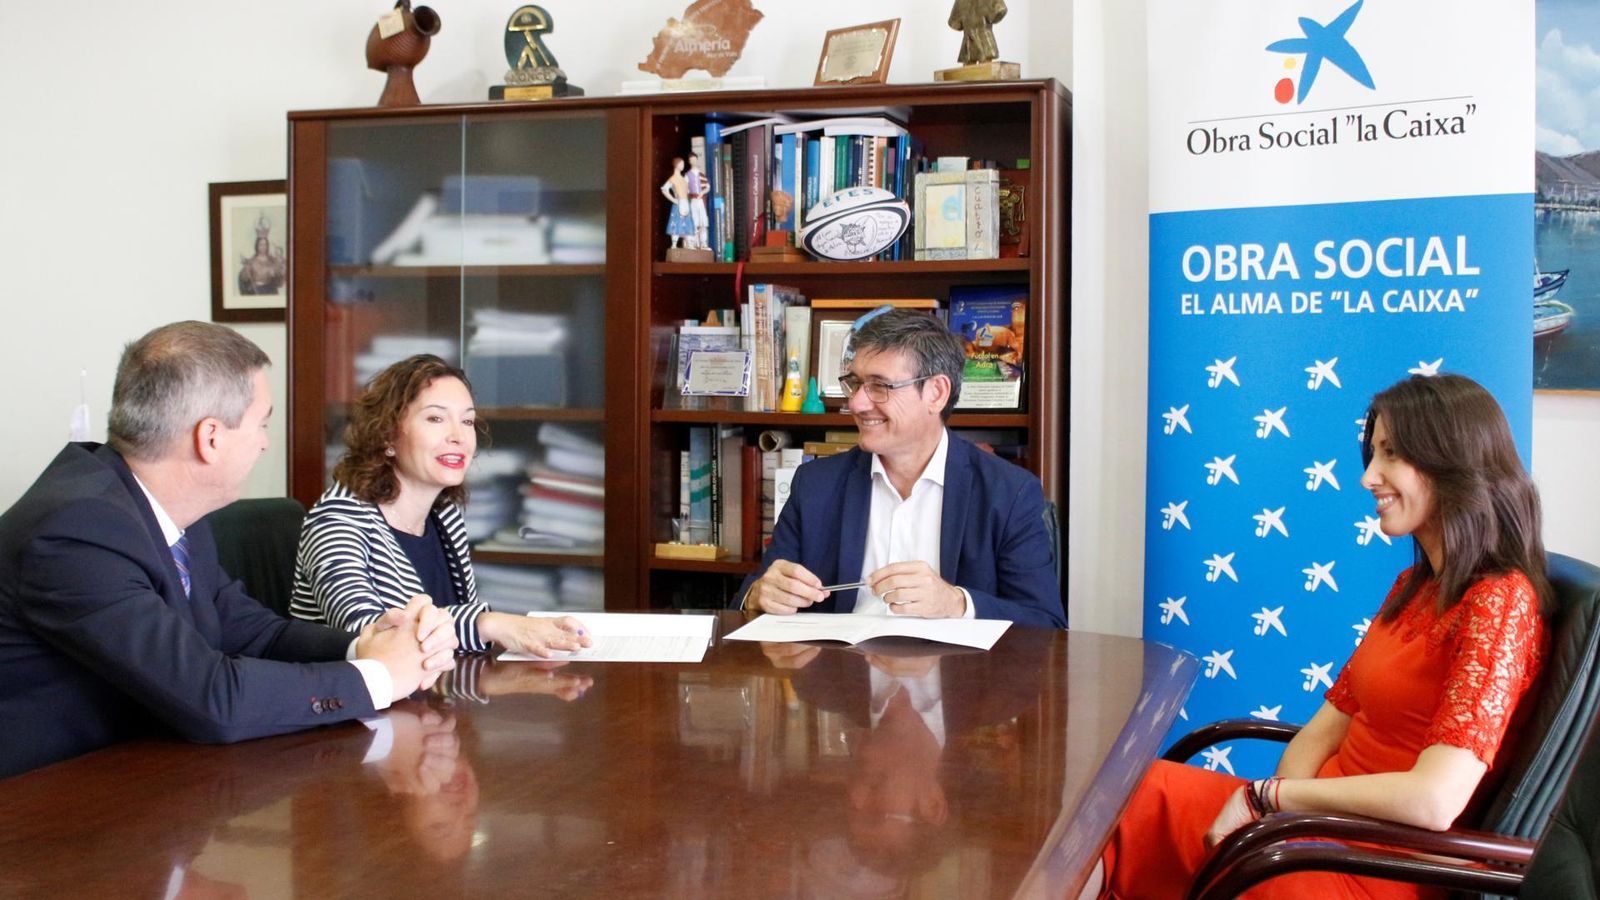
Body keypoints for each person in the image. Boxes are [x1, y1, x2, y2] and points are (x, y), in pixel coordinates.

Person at [1095, 373, 1553, 899]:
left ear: (1454, 463)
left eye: (1391, 455)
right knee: (1128, 792)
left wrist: (1272, 802)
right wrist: (1277, 810)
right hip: (1313, 831)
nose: (1368, 478)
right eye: (1373, 453)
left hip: (1375, 863)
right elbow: (1328, 726)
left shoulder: (1500, 602)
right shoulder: (1414, 585)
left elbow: (1435, 801)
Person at [0, 321, 458, 780]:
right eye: (262, 423)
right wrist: (379, 677)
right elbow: (212, 697)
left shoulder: (166, 510)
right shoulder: (78, 532)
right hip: (41, 807)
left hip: (139, 776)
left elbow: (253, 633)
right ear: (211, 438)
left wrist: (367, 645)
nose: (263, 442)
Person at [736, 308, 1064, 627]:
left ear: (936, 393)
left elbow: (1045, 624)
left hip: (959, 679)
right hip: (839, 675)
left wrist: (957, 604)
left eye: (880, 386)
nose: (856, 403)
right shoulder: (816, 484)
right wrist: (758, 595)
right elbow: (757, 593)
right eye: (854, 383)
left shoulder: (1008, 492)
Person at [291, 354, 592, 659]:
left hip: (431, 693)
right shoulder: (336, 522)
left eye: (467, 421)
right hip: (349, 701)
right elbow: (368, 638)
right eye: (435, 419)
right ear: (388, 435)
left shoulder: (444, 514)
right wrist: (489, 623)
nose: (458, 437)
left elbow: (457, 638)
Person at [660, 156, 694, 250]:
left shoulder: (683, 179)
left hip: (686, 203)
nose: (683, 165)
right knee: (676, 222)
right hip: (678, 202)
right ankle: (674, 244)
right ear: (677, 165)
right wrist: (673, 199)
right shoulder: (673, 178)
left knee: (687, 223)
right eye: (681, 164)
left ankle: (689, 243)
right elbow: (664, 189)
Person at [686, 151, 710, 250]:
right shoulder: (687, 175)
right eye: (691, 160)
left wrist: (703, 192)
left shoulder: (701, 175)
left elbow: (708, 187)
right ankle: (693, 243)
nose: (693, 161)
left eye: (695, 159)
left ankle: (703, 243)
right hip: (692, 200)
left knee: (703, 221)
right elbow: (685, 188)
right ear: (689, 161)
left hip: (700, 200)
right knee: (694, 221)